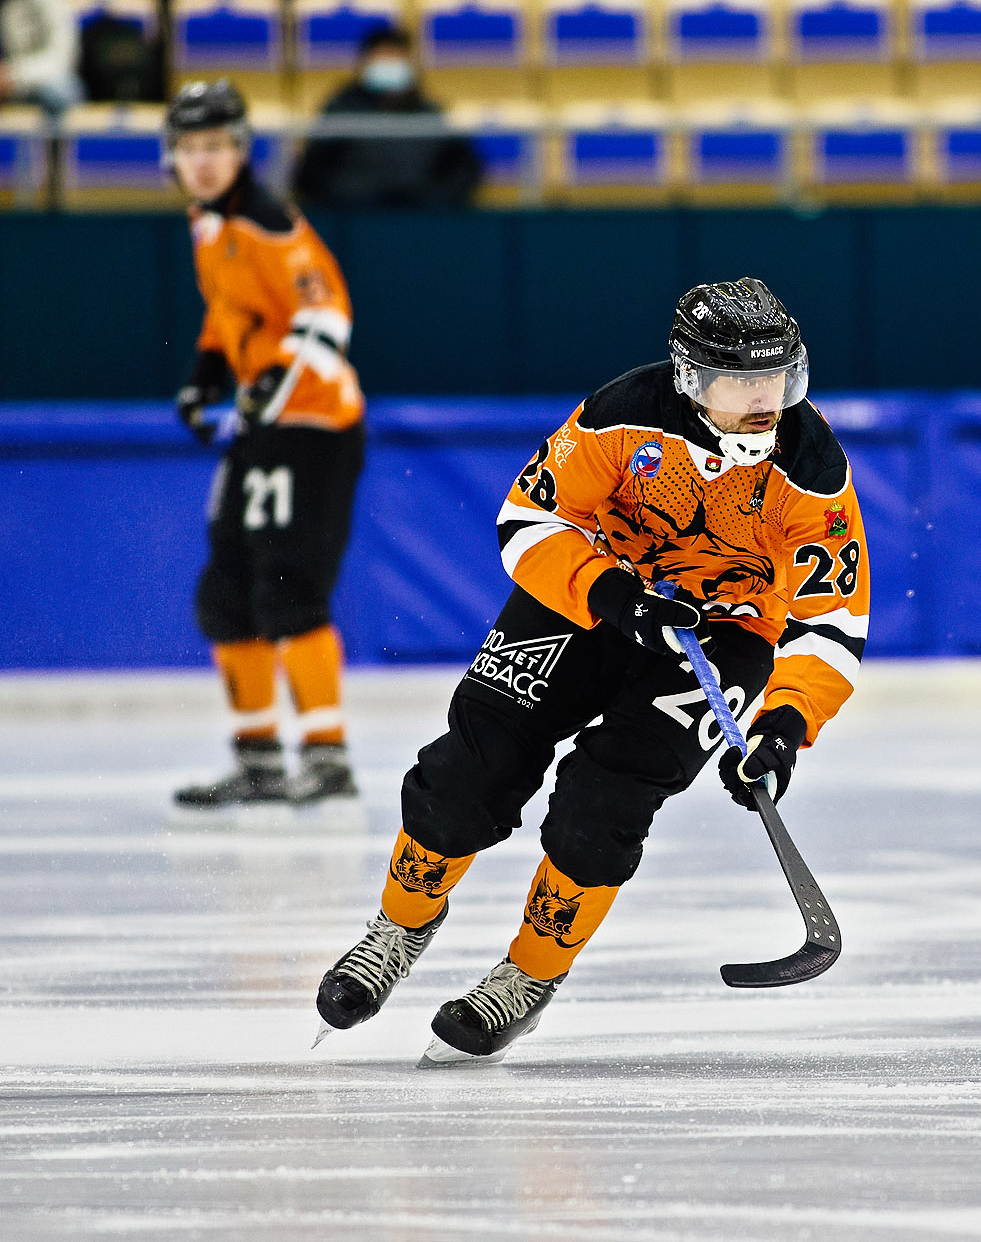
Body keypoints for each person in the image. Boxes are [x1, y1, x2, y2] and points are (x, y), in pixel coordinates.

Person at [314, 278, 872, 1065]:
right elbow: (528, 519)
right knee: (472, 769)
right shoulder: (623, 412)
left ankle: (529, 975)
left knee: (605, 801)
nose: (763, 402)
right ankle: (399, 925)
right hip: (595, 596)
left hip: (723, 637)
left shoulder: (810, 469)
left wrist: (782, 727)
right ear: (688, 378)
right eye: (739, 381)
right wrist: (616, 596)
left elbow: (832, 622)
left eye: (775, 379)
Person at [165, 80, 368, 821]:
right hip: (266, 423)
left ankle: (327, 756)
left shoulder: (266, 220)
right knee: (226, 592)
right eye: (192, 148)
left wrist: (268, 387)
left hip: (313, 424)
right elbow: (230, 316)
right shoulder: (210, 223)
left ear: (241, 151)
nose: (205, 161)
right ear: (174, 159)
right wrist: (204, 378)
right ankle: (257, 759)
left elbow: (327, 315)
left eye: (217, 146)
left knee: (287, 584)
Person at [292, 26, 482, 211]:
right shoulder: (340, 111)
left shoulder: (430, 113)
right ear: (365, 62)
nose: (390, 64)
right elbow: (311, 173)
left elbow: (463, 170)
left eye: (396, 57)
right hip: (352, 220)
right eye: (383, 57)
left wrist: (435, 203)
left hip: (422, 221)